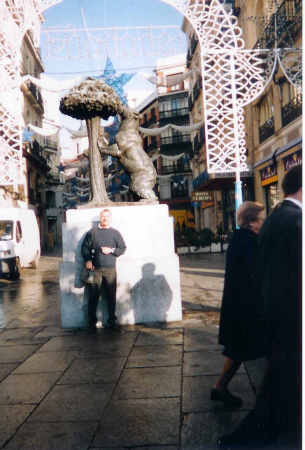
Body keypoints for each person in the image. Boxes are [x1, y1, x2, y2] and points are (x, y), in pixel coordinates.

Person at [217, 164, 302, 449]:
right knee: (275, 379)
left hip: (267, 311)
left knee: (273, 378)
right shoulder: (292, 221)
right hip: (276, 313)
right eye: (259, 217)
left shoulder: (274, 222)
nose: (262, 219)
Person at [211, 201, 266, 408]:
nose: (263, 222)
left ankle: (220, 387)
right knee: (248, 349)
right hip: (247, 306)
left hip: (240, 305)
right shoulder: (249, 241)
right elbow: (256, 274)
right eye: (261, 219)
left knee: (238, 351)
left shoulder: (241, 238)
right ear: (252, 222)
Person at [81, 209, 126, 330]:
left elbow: (122, 248)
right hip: (96, 270)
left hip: (110, 269)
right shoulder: (92, 232)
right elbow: (84, 248)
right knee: (93, 295)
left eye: (107, 216)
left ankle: (112, 321)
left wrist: (111, 250)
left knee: (111, 296)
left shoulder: (115, 233)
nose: (105, 218)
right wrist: (88, 260)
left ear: (110, 218)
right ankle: (91, 322)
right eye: (103, 216)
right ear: (100, 218)